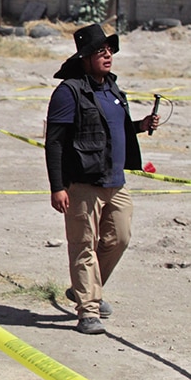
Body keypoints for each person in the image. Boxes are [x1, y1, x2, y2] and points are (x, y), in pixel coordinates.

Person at [44, 24, 160, 335]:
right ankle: (88, 310)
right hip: (83, 183)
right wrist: (57, 186)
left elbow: (115, 129)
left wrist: (140, 125)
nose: (107, 54)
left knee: (118, 239)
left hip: (115, 182)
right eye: (99, 51)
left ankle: (84, 289)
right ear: (84, 58)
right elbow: (54, 141)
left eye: (109, 49)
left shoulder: (112, 89)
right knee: (83, 246)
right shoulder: (69, 92)